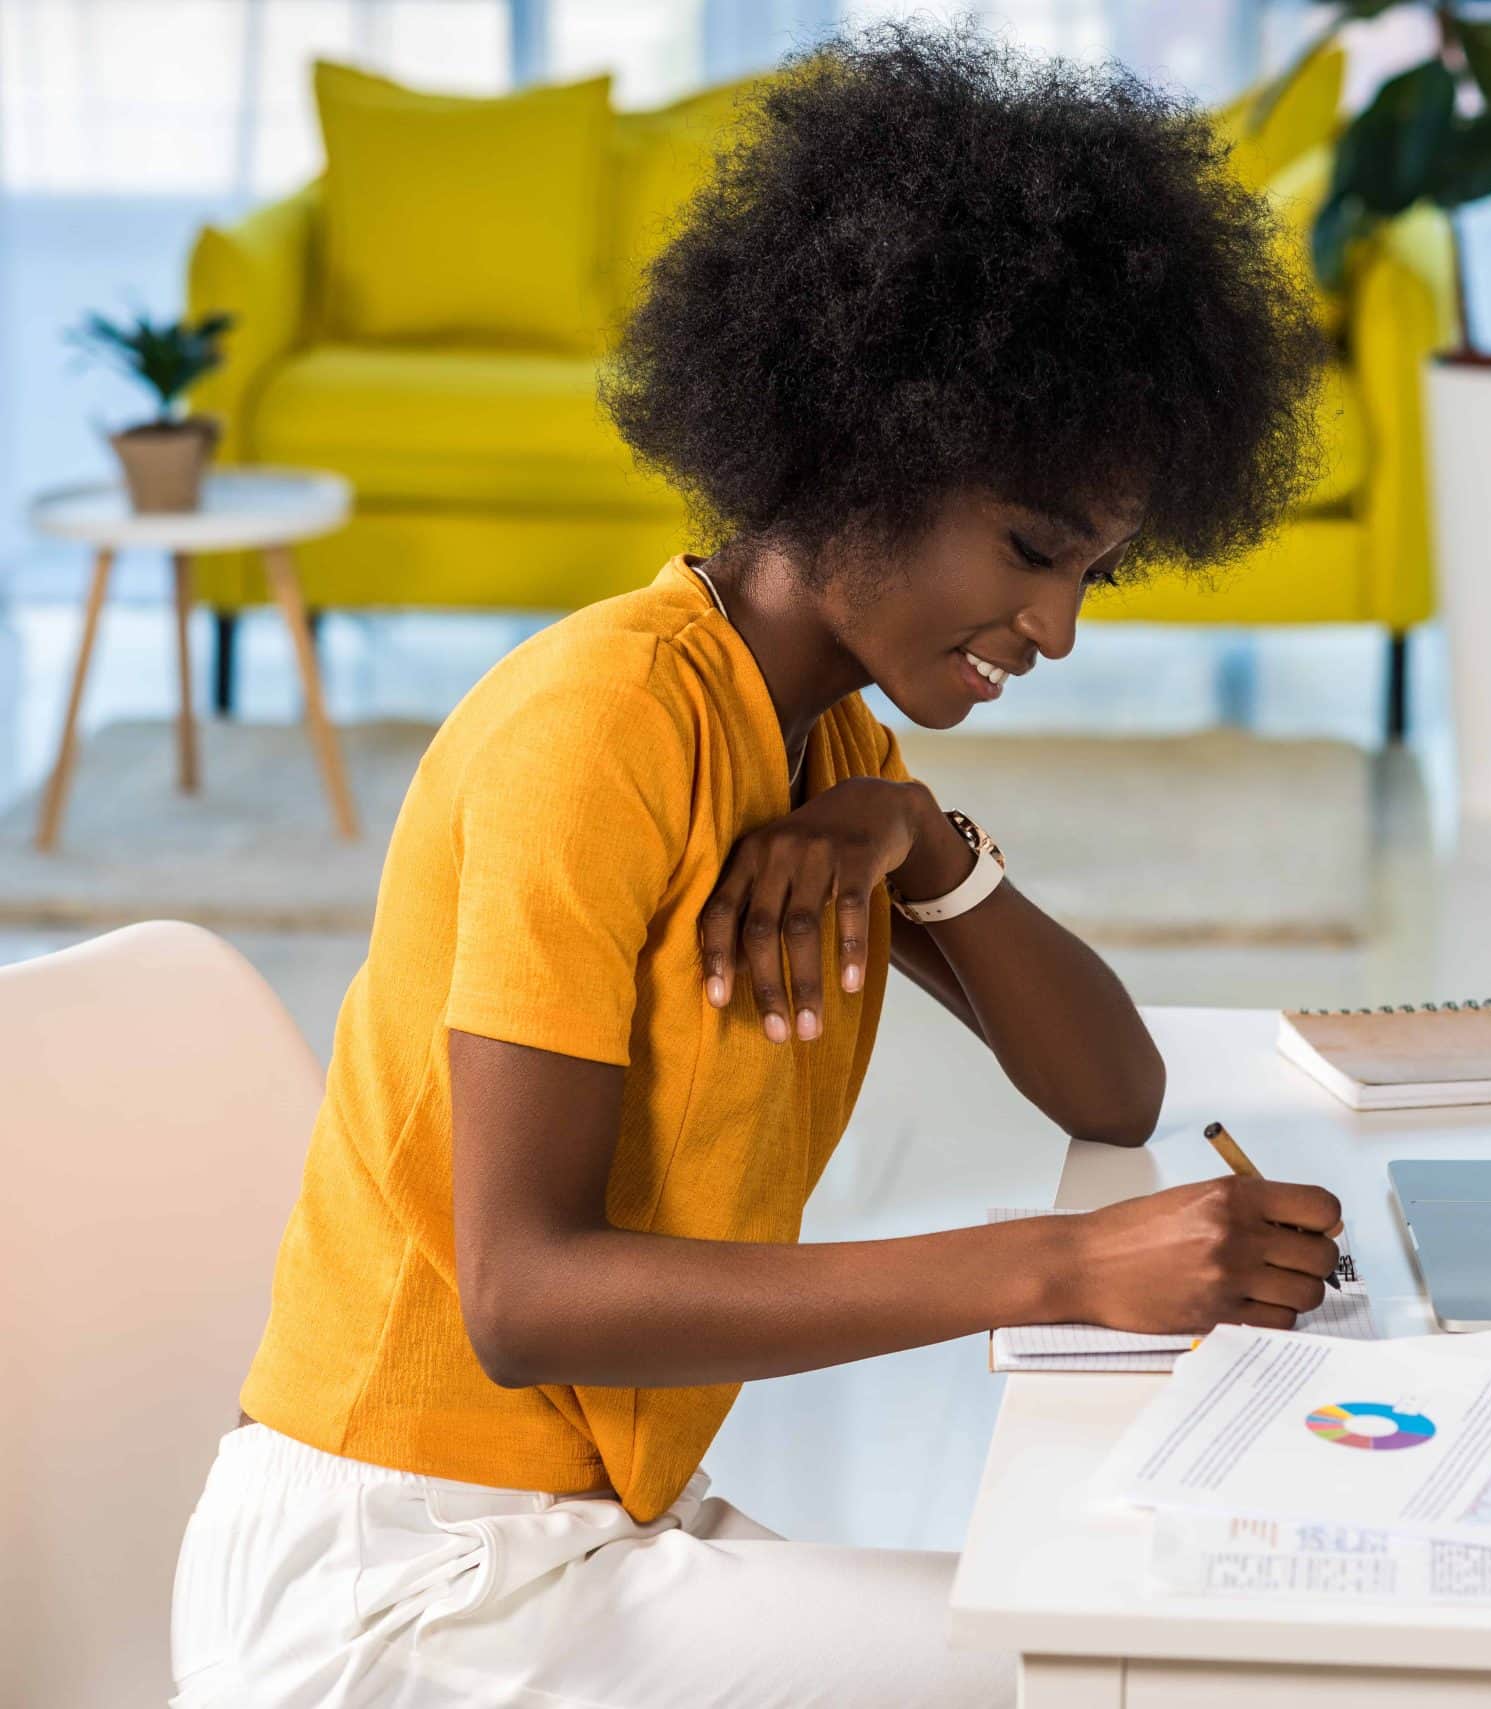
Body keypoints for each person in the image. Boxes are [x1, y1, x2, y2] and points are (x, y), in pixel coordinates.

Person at [169, 24, 1336, 1707]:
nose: (1061, 628)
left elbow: (1114, 1087)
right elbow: (521, 1296)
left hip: (566, 1529)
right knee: (1105, 1667)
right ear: (863, 445)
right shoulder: (605, 722)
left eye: (1095, 571)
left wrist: (921, 837)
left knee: (1104, 1625)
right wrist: (1067, 1266)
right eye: (1028, 550)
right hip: (402, 1583)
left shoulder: (827, 742)